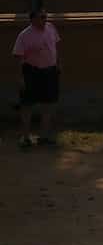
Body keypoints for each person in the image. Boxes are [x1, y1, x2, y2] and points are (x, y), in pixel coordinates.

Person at [12, 8, 61, 149]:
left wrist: (58, 63)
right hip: (31, 72)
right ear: (32, 20)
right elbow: (19, 57)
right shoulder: (24, 35)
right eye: (41, 17)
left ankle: (44, 136)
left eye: (45, 17)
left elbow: (56, 46)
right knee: (27, 105)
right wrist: (20, 77)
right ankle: (25, 137)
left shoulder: (51, 28)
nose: (45, 20)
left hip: (50, 71)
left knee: (49, 104)